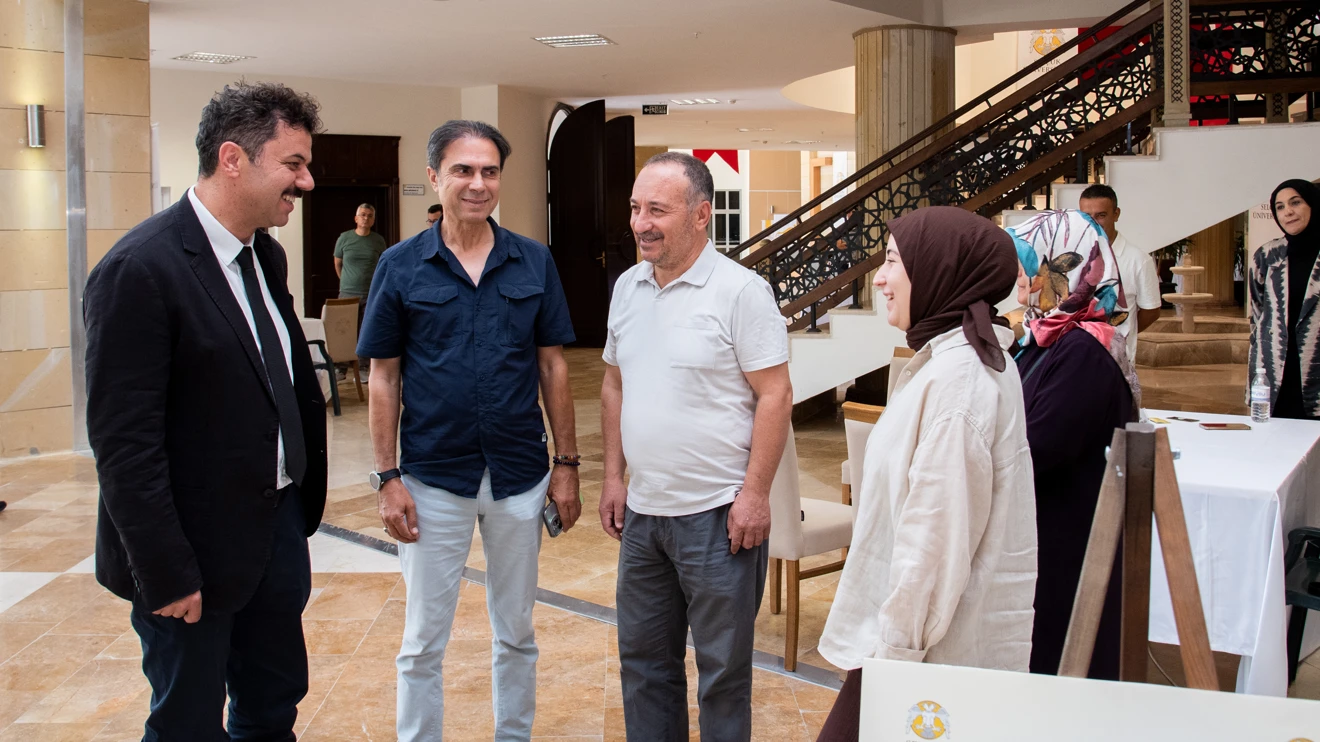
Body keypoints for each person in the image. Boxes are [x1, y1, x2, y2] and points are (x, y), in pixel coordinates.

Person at [83, 81, 327, 741]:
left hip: (272, 531)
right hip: (187, 550)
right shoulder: (140, 269)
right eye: (294, 164)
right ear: (232, 159)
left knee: (272, 706)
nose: (306, 182)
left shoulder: (263, 256)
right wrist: (163, 572)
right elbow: (124, 443)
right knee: (188, 723)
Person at [357, 120, 580, 742]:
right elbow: (384, 377)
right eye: (463, 170)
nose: (477, 184)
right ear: (434, 176)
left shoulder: (532, 260)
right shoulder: (401, 267)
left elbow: (552, 364)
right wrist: (387, 477)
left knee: (517, 631)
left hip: (519, 476)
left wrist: (567, 463)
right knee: (423, 640)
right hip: (432, 479)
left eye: (489, 171)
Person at [816, 206, 1037, 742]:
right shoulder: (948, 364)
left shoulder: (959, 386)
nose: (881, 279)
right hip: (912, 648)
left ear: (940, 271)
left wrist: (891, 661)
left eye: (894, 261)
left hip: (919, 659)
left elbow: (933, 546)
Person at [600, 151, 792, 741]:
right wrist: (613, 478)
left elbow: (777, 394)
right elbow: (613, 382)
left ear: (702, 215)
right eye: (635, 208)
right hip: (645, 518)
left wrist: (755, 495)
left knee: (723, 675)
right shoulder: (627, 288)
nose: (640, 223)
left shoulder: (741, 292)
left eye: (657, 210)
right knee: (645, 668)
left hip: (718, 517)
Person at [1008, 209, 1135, 680]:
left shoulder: (1081, 350)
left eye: (1028, 268)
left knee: (1062, 664)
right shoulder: (1046, 337)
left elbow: (1039, 447)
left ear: (1062, 271)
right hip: (1043, 530)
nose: (1020, 282)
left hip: (1068, 539)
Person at [1249, 179, 1320, 419]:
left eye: (1295, 202)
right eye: (1279, 207)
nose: (1287, 211)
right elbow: (1257, 312)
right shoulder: (1267, 255)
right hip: (1275, 371)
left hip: (1315, 369)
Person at [1079, 184, 1162, 366]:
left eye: (1101, 215)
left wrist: (1123, 332)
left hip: (1117, 362)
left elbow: (1151, 311)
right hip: (1076, 358)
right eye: (1087, 216)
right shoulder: (1074, 256)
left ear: (1116, 214)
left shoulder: (1138, 260)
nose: (1093, 223)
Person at [334, 202, 388, 354]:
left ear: (373, 220)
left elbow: (382, 266)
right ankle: (342, 366)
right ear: (356, 218)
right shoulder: (344, 238)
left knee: (366, 331)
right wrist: (345, 281)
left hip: (370, 293)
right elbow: (338, 263)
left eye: (370, 216)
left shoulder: (378, 240)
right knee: (343, 331)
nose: (366, 218)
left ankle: (363, 365)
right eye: (363, 215)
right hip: (347, 293)